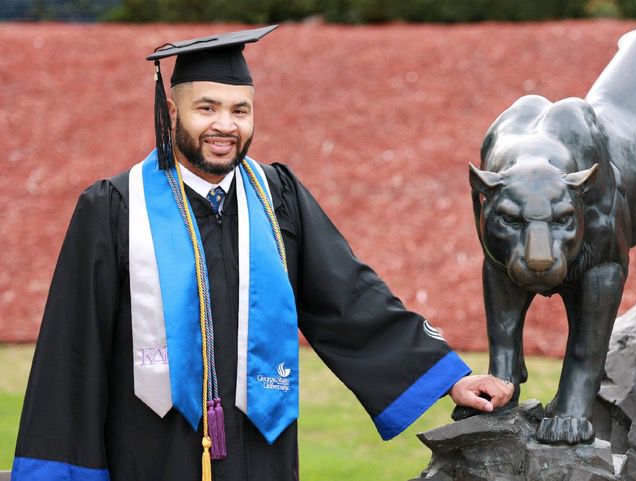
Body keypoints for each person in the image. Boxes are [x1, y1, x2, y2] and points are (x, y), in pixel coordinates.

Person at [11, 26, 514, 481]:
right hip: (151, 457)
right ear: (172, 112)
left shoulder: (277, 199)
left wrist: (450, 376)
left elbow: (348, 297)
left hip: (262, 456)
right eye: (206, 108)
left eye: (239, 110)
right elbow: (73, 353)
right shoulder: (116, 209)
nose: (224, 126)